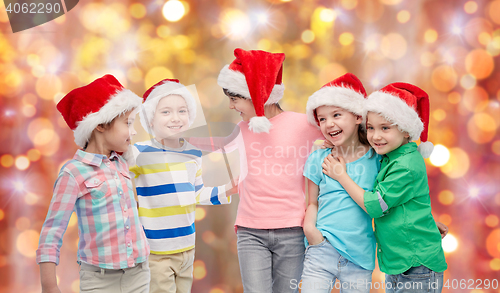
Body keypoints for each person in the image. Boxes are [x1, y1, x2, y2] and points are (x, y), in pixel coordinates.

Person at [188, 48, 323, 292]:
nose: (230, 106)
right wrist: (173, 143)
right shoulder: (242, 128)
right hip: (250, 232)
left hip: (292, 230)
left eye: (235, 98)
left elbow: (343, 137)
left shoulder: (303, 124)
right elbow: (215, 145)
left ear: (256, 95)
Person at [323, 82, 447, 293]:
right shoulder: (391, 156)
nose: (376, 136)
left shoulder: (406, 166)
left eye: (385, 128)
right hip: (400, 262)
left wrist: (341, 176)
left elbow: (376, 206)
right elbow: (408, 201)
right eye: (371, 128)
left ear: (407, 131)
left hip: (416, 264)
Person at [36, 75, 150, 293]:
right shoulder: (73, 173)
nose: (133, 131)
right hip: (99, 281)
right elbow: (52, 232)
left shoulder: (124, 162)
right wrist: (49, 285)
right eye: (127, 123)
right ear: (99, 124)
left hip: (139, 274)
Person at [129, 79, 237, 293]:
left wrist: (227, 189)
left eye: (182, 111)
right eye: (166, 112)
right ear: (150, 119)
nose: (176, 118)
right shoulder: (138, 152)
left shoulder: (193, 153)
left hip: (187, 247)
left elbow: (195, 193)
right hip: (156, 251)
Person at [300, 73, 377, 293]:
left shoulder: (376, 159)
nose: (328, 123)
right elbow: (312, 203)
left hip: (360, 255)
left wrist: (428, 223)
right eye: (322, 119)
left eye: (336, 115)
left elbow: (388, 200)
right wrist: (310, 230)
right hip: (320, 249)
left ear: (358, 117)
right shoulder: (318, 158)